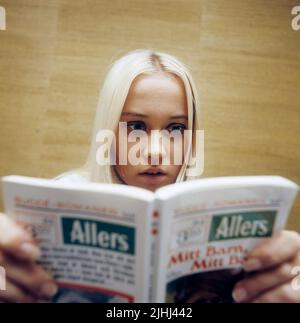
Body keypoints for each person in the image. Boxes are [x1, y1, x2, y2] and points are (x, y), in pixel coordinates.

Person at [0, 49, 300, 303]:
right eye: (136, 127)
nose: (156, 152)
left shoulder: (213, 210)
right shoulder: (63, 195)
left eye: (176, 129)